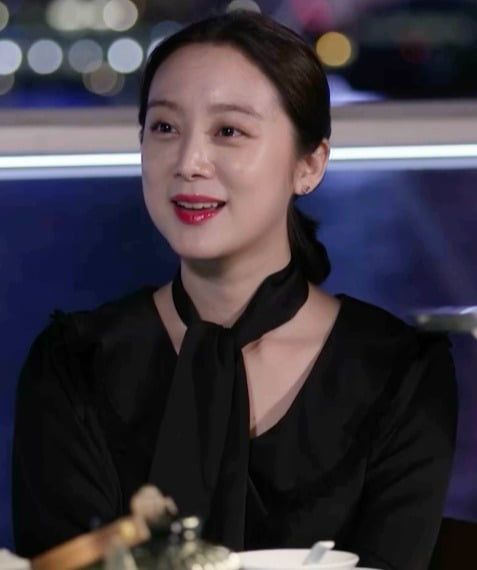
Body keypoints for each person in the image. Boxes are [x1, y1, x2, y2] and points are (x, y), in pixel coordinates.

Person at [12, 10, 457, 570]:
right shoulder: (73, 365)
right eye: (165, 128)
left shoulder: (401, 374)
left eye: (228, 131)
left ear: (309, 164)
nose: (188, 163)